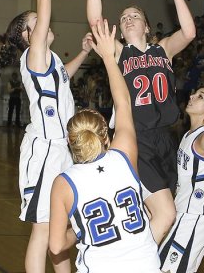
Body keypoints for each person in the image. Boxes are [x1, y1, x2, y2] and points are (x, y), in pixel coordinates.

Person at [75, 0, 196, 244]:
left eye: (134, 16)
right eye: (124, 17)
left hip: (165, 139)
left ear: (146, 27)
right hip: (135, 138)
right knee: (166, 214)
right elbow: (94, 19)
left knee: (157, 214)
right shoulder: (119, 52)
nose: (128, 19)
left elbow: (190, 32)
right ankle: (134, 262)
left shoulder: (163, 49)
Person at [0, 0, 92, 273]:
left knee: (61, 228)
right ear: (26, 35)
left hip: (64, 150)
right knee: (42, 230)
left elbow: (62, 79)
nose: (43, 18)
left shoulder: (48, 61)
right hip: (44, 151)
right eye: (35, 20)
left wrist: (83, 52)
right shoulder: (33, 54)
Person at [49, 19, 161, 273]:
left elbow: (56, 247)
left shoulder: (63, 183)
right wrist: (109, 58)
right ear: (106, 137)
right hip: (147, 265)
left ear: (70, 143)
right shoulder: (123, 156)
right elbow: (123, 104)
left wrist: (81, 230)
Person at [159, 86, 204, 273]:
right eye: (194, 93)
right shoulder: (189, 134)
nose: (192, 96)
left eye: (201, 96)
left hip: (196, 215)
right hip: (183, 210)